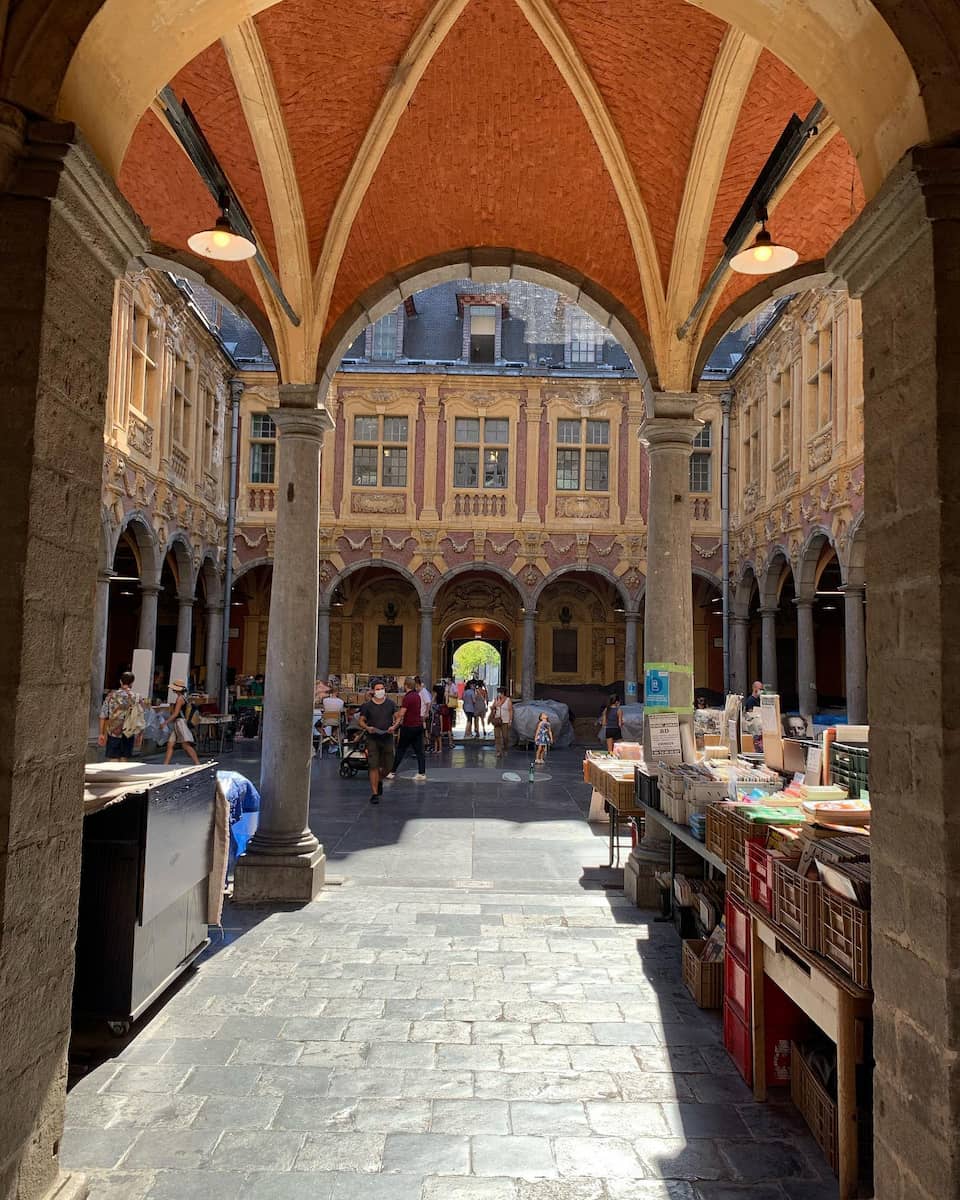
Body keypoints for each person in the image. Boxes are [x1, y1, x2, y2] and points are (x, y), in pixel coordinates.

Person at [358, 682, 401, 804]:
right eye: (377, 689)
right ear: (373, 691)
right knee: (373, 765)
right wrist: (367, 727)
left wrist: (395, 726)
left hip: (387, 736)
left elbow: (398, 716)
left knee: (388, 766)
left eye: (382, 688)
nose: (380, 691)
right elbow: (361, 721)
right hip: (373, 738)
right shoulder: (367, 706)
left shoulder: (390, 704)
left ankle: (380, 780)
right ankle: (374, 793)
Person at [98, 671, 146, 761]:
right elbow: (141, 717)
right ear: (132, 683)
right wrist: (140, 734)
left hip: (113, 731)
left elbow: (103, 716)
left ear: (120, 681)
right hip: (128, 732)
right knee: (124, 760)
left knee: (113, 760)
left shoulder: (110, 696)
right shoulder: (137, 697)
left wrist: (101, 734)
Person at [387, 677, 427, 782]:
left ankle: (392, 771)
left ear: (406, 686)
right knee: (419, 751)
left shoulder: (407, 697)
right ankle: (421, 773)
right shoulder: (417, 696)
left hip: (408, 727)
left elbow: (402, 714)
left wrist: (394, 726)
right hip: (418, 726)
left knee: (401, 750)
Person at [162, 680, 201, 765]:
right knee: (170, 744)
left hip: (180, 723)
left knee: (185, 745)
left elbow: (176, 714)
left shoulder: (180, 699)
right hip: (178, 722)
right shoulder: (183, 697)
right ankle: (165, 764)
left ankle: (197, 762)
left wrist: (165, 722)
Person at [321, 684, 345, 751]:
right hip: (336, 722)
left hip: (325, 721)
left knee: (317, 725)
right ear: (337, 692)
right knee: (337, 724)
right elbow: (341, 711)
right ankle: (333, 740)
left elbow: (324, 710)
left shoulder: (325, 700)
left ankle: (326, 737)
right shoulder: (341, 702)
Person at [491, 687, 513, 757]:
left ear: (503, 693)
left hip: (505, 720)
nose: (498, 694)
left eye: (499, 692)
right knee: (497, 736)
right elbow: (493, 707)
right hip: (497, 720)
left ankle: (505, 748)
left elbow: (510, 710)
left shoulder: (508, 700)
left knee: (505, 736)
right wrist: (493, 707)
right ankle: (498, 751)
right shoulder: (496, 699)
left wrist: (510, 720)